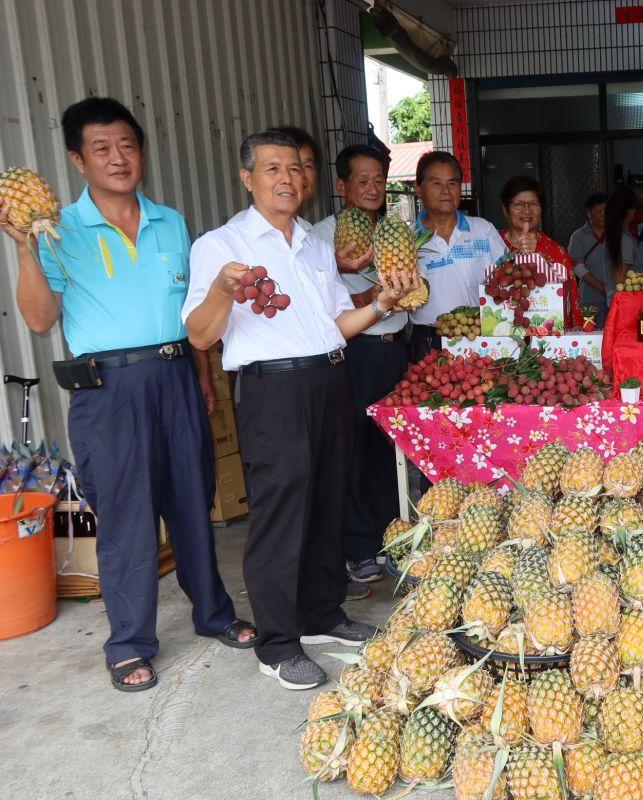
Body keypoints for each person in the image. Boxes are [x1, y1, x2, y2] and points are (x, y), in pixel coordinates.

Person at [0, 97, 255, 692]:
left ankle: (212, 612)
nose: (118, 158)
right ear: (77, 159)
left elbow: (190, 310)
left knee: (193, 500)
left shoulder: (171, 221)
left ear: (142, 151)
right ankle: (129, 642)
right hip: (108, 389)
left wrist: (199, 377)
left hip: (176, 375)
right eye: (101, 148)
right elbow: (40, 321)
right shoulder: (58, 230)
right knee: (127, 515)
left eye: (127, 146)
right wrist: (23, 247)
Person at [183, 129, 416, 690]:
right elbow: (199, 333)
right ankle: (278, 641)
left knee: (330, 501)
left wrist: (382, 302)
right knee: (282, 513)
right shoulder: (222, 245)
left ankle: (321, 615)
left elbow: (337, 323)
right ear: (247, 178)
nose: (286, 179)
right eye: (271, 169)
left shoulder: (313, 241)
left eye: (294, 169)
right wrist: (219, 290)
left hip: (331, 376)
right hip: (274, 390)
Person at [311, 143, 403, 590]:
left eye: (379, 180)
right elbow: (320, 308)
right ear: (341, 184)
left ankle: (393, 540)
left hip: (393, 348)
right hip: (352, 351)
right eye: (361, 180)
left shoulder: (394, 230)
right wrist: (377, 299)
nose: (371, 188)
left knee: (391, 451)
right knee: (353, 452)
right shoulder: (319, 237)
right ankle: (360, 548)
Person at [409, 151, 507, 364]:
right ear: (419, 189)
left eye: (452, 183)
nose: (446, 191)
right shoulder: (407, 239)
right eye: (436, 183)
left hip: (479, 336)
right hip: (429, 342)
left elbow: (507, 277)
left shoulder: (482, 230)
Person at [498, 175, 582, 329]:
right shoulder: (493, 244)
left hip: (549, 339)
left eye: (533, 204)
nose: (526, 211)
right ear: (505, 209)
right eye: (519, 205)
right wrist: (516, 256)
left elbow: (571, 301)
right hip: (502, 335)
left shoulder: (557, 252)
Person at [567, 192, 611, 328]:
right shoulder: (578, 236)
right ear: (589, 213)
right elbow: (578, 268)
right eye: (599, 211)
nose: (604, 214)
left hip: (615, 299)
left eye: (607, 211)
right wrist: (603, 288)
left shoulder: (618, 235)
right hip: (589, 299)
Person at [603, 187, 639, 289]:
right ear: (629, 211)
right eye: (634, 207)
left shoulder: (614, 235)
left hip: (615, 299)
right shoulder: (625, 240)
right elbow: (620, 278)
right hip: (624, 300)